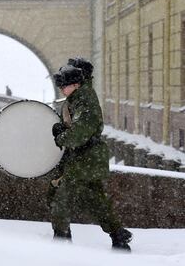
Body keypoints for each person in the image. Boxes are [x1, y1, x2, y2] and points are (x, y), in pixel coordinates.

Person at [49, 63, 133, 251]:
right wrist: (63, 128)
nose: (61, 89)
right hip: (85, 158)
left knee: (60, 198)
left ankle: (61, 240)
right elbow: (77, 127)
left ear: (76, 84)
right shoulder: (77, 98)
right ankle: (118, 235)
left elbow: (80, 133)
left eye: (64, 85)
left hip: (85, 158)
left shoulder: (84, 100)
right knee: (95, 200)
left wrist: (61, 137)